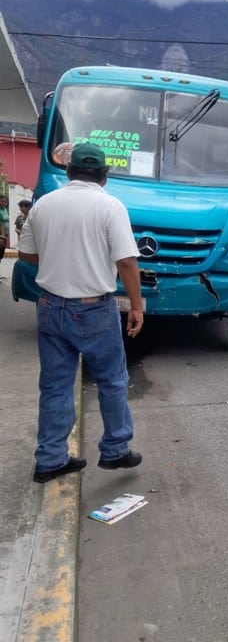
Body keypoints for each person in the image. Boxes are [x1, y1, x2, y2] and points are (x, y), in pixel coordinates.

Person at [18, 142, 144, 483]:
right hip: (93, 310)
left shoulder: (44, 205)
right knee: (111, 380)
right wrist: (136, 305)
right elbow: (127, 261)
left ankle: (50, 459)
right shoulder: (110, 206)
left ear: (69, 170)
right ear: (103, 175)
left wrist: (60, 257)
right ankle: (116, 450)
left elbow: (26, 255)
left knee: (56, 385)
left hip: (49, 306)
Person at [0, 193, 9, 279]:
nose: (3, 203)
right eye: (2, 201)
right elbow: (1, 224)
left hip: (4, 235)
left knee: (1, 256)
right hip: (1, 236)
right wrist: (2, 237)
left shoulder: (5, 210)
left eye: (5, 202)